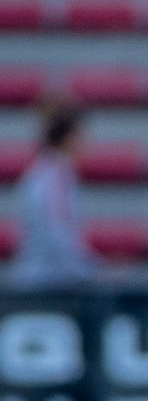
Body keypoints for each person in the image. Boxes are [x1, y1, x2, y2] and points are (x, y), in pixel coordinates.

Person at [9, 101, 99, 290]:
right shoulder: (54, 177)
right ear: (69, 138)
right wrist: (92, 272)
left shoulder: (49, 173)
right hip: (45, 282)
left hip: (49, 277)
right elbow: (57, 236)